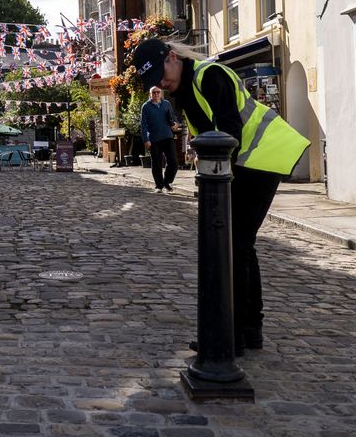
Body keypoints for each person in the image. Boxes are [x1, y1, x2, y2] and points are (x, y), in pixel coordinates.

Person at [132, 38, 309, 353]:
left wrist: (217, 178)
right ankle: (247, 330)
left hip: (260, 159)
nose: (160, 81)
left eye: (161, 72)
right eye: (153, 80)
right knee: (240, 247)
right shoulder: (184, 92)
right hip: (245, 165)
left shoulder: (209, 75)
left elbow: (229, 131)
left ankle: (233, 335)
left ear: (172, 57)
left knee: (235, 245)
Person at [140, 86, 180, 192]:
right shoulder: (146, 107)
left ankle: (167, 182)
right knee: (157, 163)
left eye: (158, 92)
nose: (156, 94)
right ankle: (159, 185)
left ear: (161, 93)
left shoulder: (166, 103)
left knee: (173, 162)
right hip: (154, 139)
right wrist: (146, 140)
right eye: (154, 92)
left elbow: (173, 117)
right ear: (150, 94)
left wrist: (176, 123)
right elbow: (143, 125)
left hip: (168, 136)